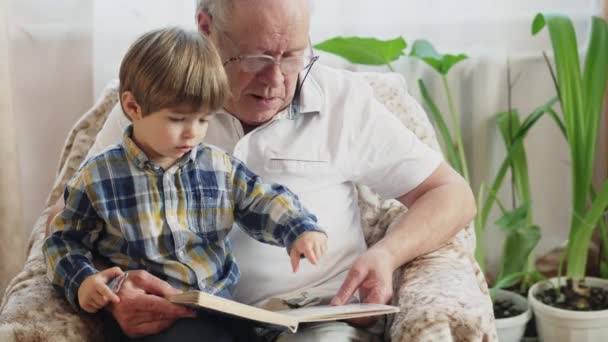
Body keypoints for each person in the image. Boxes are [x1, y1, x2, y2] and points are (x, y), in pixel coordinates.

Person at [46, 0, 480, 340]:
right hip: (186, 318)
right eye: (254, 58)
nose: (276, 81)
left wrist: (386, 253)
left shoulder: (345, 102)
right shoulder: (157, 101)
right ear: (206, 28)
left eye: (292, 56)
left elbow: (451, 194)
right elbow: (65, 222)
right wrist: (112, 295)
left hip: (314, 317)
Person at [43, 26, 327, 341]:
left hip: (222, 310)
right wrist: (83, 281)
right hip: (153, 320)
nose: (193, 133)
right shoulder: (99, 177)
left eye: (204, 119)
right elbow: (62, 241)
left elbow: (263, 200)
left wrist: (299, 228)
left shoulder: (218, 167)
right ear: (133, 107)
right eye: (178, 119)